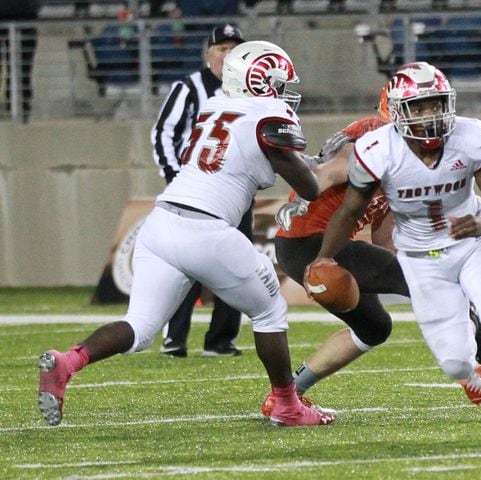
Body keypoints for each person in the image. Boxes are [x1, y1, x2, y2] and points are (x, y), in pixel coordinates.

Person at [38, 40, 335, 429]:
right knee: (269, 311)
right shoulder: (267, 114)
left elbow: (253, 151)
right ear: (259, 82)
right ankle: (287, 405)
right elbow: (307, 187)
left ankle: (69, 361)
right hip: (207, 229)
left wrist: (302, 160)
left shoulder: (215, 104)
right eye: (278, 82)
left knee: (141, 327)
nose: (284, 91)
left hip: (160, 224)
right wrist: (318, 172)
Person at [307, 62, 481, 440]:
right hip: (421, 260)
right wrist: (324, 256)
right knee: (456, 365)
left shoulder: (472, 137)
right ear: (397, 111)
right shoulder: (377, 150)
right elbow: (351, 210)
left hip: (474, 245)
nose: (431, 115)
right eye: (420, 107)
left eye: (436, 104)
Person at [261, 86, 481, 417]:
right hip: (312, 243)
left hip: (310, 246)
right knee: (423, 282)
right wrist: (307, 196)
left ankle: (287, 396)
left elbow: (383, 236)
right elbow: (334, 170)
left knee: (374, 328)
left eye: (430, 109)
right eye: (418, 110)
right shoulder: (377, 132)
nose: (427, 120)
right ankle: (473, 378)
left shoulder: (408, 159)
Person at [151, 24, 248, 358]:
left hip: (235, 194)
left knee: (235, 265)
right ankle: (174, 337)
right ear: (208, 54)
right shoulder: (190, 87)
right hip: (195, 192)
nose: (227, 55)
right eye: (221, 48)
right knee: (184, 265)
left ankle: (221, 339)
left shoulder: (251, 92)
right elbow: (163, 132)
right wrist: (174, 177)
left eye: (234, 48)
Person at [0, 0, 40, 122]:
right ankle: (20, 105)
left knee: (22, 68)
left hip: (25, 15)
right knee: (22, 68)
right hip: (25, 14)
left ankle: (20, 106)